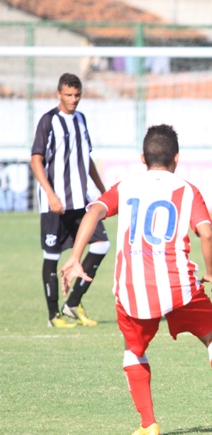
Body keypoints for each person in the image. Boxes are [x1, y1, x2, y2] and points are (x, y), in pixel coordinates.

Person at [59, 124, 212, 435]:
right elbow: (206, 233)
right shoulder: (186, 189)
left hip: (131, 289)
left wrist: (76, 257)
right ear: (176, 158)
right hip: (179, 286)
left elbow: (94, 211)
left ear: (142, 158)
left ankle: (149, 424)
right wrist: (211, 273)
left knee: (134, 351)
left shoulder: (125, 186)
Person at [32, 73, 110, 328]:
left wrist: (103, 190)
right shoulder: (48, 121)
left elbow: (86, 158)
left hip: (81, 201)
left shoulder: (81, 119)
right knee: (52, 256)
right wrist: (51, 194)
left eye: (77, 95)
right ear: (59, 94)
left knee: (101, 245)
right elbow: (36, 160)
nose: (73, 100)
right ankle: (54, 315)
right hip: (56, 204)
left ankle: (73, 302)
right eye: (68, 95)